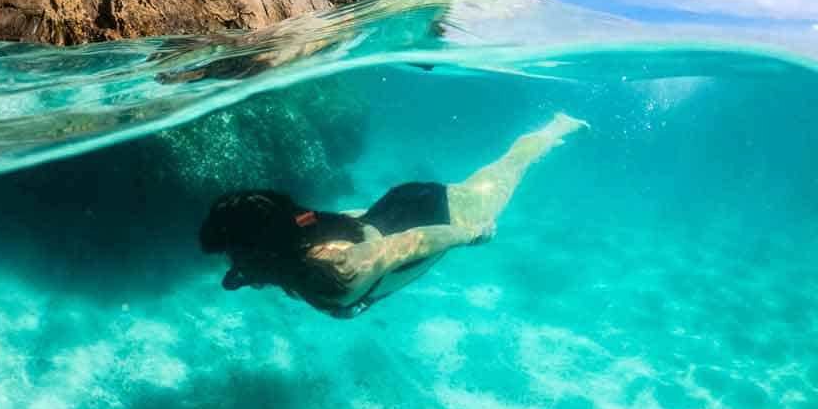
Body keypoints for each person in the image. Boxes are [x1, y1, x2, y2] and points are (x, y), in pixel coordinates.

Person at [199, 112, 589, 318]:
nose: (233, 263)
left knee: (506, 172)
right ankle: (552, 130)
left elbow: (413, 244)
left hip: (429, 216)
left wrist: (471, 234)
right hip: (390, 208)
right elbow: (334, 221)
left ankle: (558, 127)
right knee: (498, 172)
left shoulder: (335, 265)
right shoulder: (292, 234)